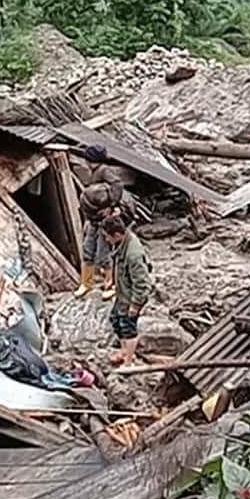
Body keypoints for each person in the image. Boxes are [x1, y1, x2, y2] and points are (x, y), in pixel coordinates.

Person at [75, 146, 137, 299]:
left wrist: (112, 206)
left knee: (104, 253)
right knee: (88, 249)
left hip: (104, 219)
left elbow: (117, 184)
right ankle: (86, 283)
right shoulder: (94, 172)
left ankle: (110, 285)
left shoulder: (104, 170)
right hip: (94, 219)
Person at [101, 215, 152, 366]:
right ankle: (124, 352)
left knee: (128, 326)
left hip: (131, 296)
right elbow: (119, 265)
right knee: (116, 320)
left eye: (107, 237)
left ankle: (129, 361)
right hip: (123, 293)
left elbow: (142, 283)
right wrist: (113, 280)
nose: (106, 240)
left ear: (116, 235)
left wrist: (135, 305)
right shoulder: (121, 244)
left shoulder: (133, 254)